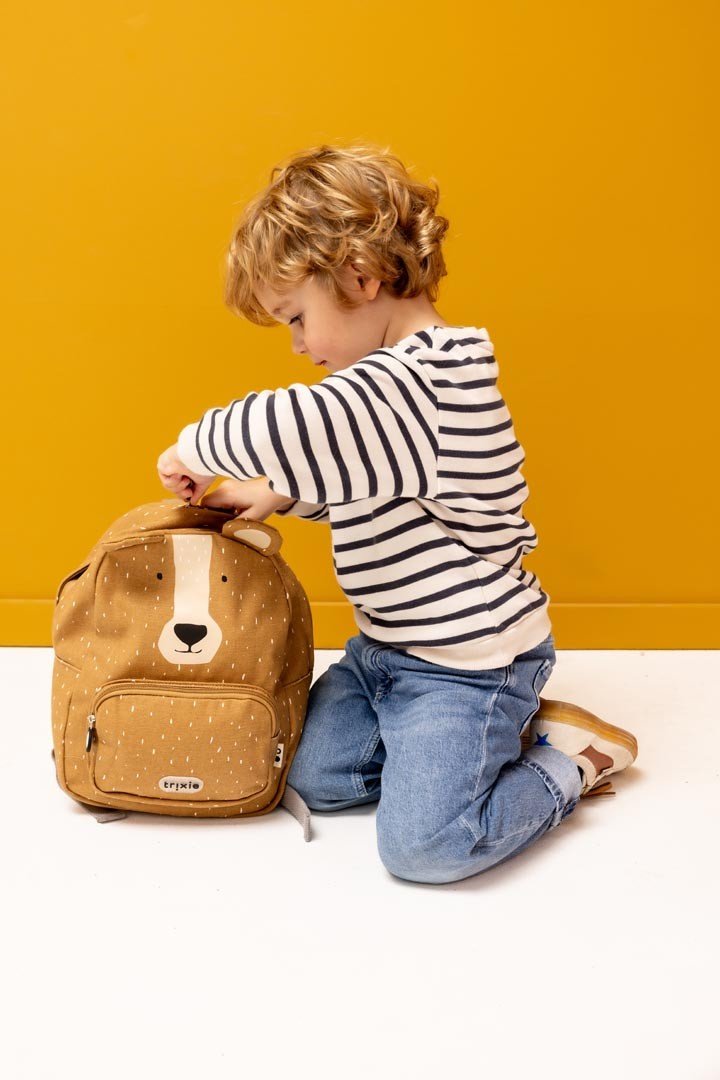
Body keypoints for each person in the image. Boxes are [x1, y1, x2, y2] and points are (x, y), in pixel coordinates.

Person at [156, 143, 639, 884]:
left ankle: (569, 762)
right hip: (385, 652)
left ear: (361, 275)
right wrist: (278, 495)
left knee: (426, 846)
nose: (298, 346)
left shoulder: (428, 379)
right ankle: (480, 746)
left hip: (467, 666)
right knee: (310, 779)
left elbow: (292, 424)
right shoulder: (387, 394)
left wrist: (191, 446)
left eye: (296, 318)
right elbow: (372, 487)